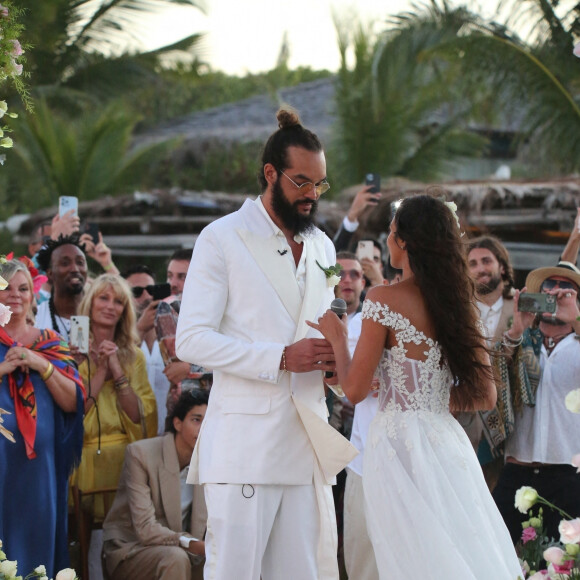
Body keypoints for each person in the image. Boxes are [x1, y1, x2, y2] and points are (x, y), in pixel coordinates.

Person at [175, 108, 356, 580]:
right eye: (301, 183)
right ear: (270, 174)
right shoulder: (221, 237)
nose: (312, 195)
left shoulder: (321, 245)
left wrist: (336, 363)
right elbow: (190, 340)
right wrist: (278, 358)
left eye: (320, 184)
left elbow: (324, 324)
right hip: (245, 447)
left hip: (307, 440)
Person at [309, 194, 522, 579]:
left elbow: (354, 390)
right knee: (450, 546)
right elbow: (484, 395)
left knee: (402, 555)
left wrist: (338, 339)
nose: (388, 241)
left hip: (396, 444)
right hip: (444, 440)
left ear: (404, 241)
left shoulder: (382, 299)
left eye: (391, 233)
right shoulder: (461, 302)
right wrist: (424, 395)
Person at [0, 259, 85, 577]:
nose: (15, 295)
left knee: (36, 543)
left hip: (40, 466)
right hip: (0, 461)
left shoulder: (50, 342)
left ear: (33, 296)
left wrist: (40, 364)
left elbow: (73, 402)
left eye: (23, 289)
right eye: (6, 288)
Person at [492, 261, 580, 543]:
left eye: (566, 289)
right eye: (548, 288)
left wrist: (575, 317)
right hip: (517, 470)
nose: (555, 292)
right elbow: (492, 375)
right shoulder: (520, 341)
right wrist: (518, 328)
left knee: (559, 566)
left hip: (568, 475)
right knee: (495, 556)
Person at [71, 273, 157, 520]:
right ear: (91, 302)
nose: (110, 306)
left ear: (124, 310)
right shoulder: (70, 353)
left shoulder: (135, 356)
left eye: (118, 301)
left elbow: (140, 416)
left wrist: (117, 370)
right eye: (103, 298)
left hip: (123, 460)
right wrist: (101, 370)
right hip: (80, 460)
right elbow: (76, 410)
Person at [103, 389, 208, 580]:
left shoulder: (211, 462)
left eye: (209, 421)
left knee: (236, 557)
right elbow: (145, 528)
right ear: (177, 423)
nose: (204, 428)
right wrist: (191, 543)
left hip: (187, 552)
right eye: (196, 420)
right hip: (133, 549)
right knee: (176, 558)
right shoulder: (141, 454)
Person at [464, 235, 517, 488]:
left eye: (486, 260)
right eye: (472, 263)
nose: (480, 268)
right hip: (463, 418)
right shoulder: (460, 309)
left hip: (506, 423)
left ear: (502, 266)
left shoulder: (519, 306)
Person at [123, 265, 172, 434]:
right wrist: (140, 329)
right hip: (131, 436)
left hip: (170, 435)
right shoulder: (116, 336)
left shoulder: (174, 334)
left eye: (151, 289)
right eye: (137, 292)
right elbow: (120, 365)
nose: (147, 296)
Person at [35, 234, 88, 341]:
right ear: (50, 274)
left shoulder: (102, 316)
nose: (75, 269)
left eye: (80, 262)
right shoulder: (36, 318)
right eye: (65, 263)